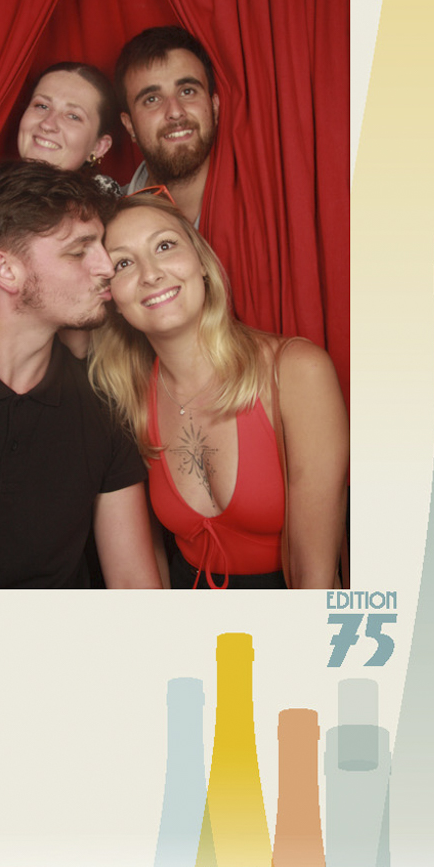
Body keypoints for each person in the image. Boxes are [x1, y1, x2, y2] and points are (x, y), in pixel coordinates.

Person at [0, 161, 161, 588]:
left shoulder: (103, 406)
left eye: (101, 245)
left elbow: (133, 583)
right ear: (6, 271)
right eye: (79, 251)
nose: (107, 266)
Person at [93, 192, 348, 589]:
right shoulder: (130, 397)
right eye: (123, 263)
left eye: (165, 246)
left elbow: (316, 579)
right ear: (112, 299)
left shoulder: (297, 372)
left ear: (202, 263)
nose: (151, 274)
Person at [0, 61, 120, 351]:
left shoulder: (112, 218)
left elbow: (88, 342)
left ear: (99, 147)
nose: (48, 124)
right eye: (41, 106)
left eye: (73, 116)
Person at [113, 26, 220, 222]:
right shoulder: (106, 219)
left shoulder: (268, 199)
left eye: (187, 91)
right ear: (129, 125)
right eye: (152, 99)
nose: (175, 112)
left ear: (214, 107)